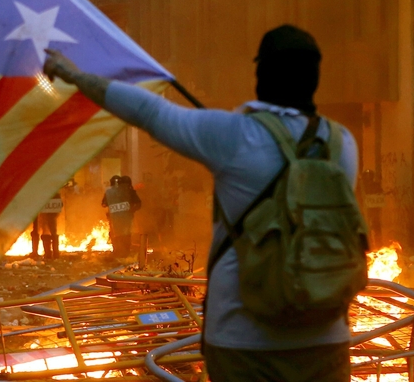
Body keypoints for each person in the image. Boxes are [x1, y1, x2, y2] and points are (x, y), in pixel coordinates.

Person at [43, 24, 357, 381]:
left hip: (244, 344)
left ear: (262, 75)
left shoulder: (233, 135)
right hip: (326, 339)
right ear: (314, 77)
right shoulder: (342, 144)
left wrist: (75, 76)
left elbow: (149, 111)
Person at [101, 175, 136, 258]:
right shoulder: (128, 191)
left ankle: (118, 252)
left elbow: (103, 204)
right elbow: (137, 203)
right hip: (126, 218)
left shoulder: (108, 192)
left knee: (116, 235)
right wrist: (131, 210)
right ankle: (125, 252)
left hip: (114, 218)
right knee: (126, 235)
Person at [31, 192, 62, 260]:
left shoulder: (38, 192)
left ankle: (48, 253)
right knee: (51, 231)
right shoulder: (53, 192)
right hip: (48, 213)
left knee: (46, 231)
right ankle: (53, 253)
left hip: (46, 213)